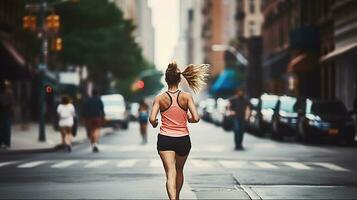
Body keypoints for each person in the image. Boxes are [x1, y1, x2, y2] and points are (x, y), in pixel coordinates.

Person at [149, 62, 209, 200]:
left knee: (170, 173)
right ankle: (177, 197)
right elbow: (196, 118)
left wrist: (155, 123)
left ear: (165, 79)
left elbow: (152, 119)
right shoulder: (186, 97)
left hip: (165, 139)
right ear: (180, 79)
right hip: (183, 139)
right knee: (179, 171)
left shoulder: (159, 98)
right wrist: (188, 118)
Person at [0, 81, 14, 149]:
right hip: (3, 112)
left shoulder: (9, 92)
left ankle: (6, 143)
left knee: (6, 128)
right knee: (3, 128)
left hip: (7, 112)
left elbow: (11, 103)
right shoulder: (4, 92)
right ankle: (3, 143)